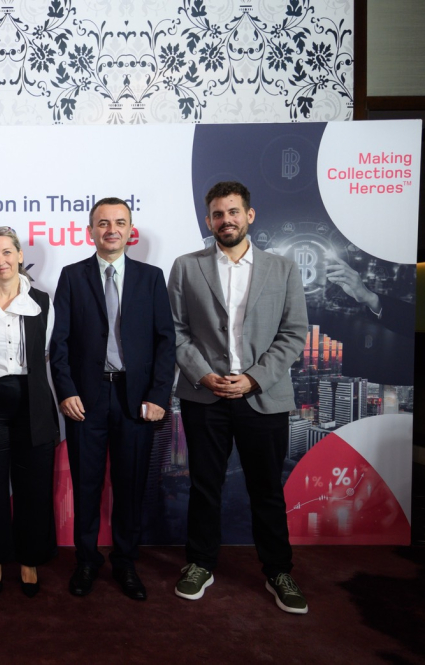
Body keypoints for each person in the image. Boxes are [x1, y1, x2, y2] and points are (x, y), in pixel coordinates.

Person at [168, 181, 309, 614]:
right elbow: (175, 331)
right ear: (208, 220)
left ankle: (278, 570)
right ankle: (200, 563)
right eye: (217, 214)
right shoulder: (186, 267)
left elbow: (294, 333)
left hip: (263, 397)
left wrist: (253, 379)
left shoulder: (282, 268)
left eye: (233, 212)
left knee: (266, 490)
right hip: (204, 396)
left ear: (249, 215)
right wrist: (203, 374)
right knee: (204, 486)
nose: (225, 220)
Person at [50, 197, 176, 601]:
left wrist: (158, 394)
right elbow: (59, 342)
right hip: (86, 399)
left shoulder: (151, 277)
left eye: (119, 222)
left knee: (131, 485)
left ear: (130, 230)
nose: (111, 229)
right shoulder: (72, 276)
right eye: (103, 223)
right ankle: (87, 561)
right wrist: (66, 390)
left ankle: (125, 562)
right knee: (86, 485)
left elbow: (166, 341)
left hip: (135, 399)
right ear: (91, 230)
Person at [0, 227, 58, 598]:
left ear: (20, 255)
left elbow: (50, 353)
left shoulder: (44, 302)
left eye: (6, 252)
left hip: (31, 402)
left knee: (34, 488)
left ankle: (29, 558)